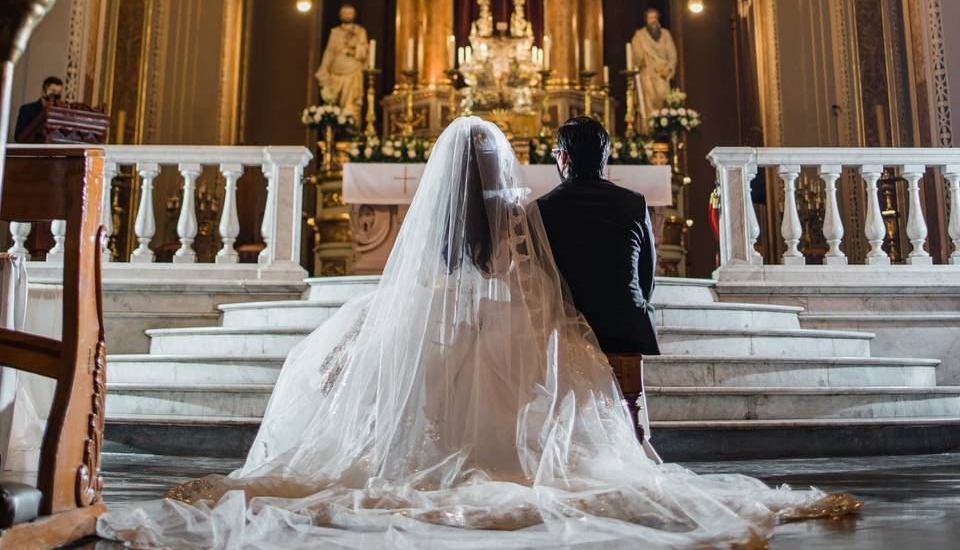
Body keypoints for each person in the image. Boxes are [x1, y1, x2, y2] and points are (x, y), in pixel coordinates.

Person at [97, 117, 858, 549]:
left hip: (437, 322)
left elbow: (423, 283)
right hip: (511, 327)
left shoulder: (458, 225)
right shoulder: (524, 216)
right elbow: (537, 285)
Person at [537, 116, 658, 356]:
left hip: (567, 333)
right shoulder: (634, 202)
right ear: (604, 157)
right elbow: (646, 276)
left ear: (563, 157)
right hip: (628, 329)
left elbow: (538, 282)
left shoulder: (540, 209)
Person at [14, 76, 63, 141]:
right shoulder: (27, 109)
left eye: (59, 93)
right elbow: (18, 137)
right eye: (53, 91)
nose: (56, 95)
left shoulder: (60, 113)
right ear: (43, 91)